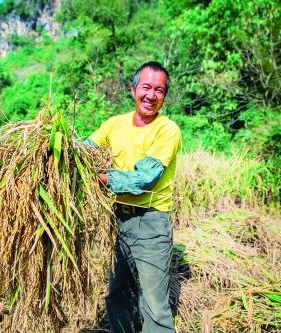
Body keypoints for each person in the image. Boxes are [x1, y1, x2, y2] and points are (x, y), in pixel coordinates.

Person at [87, 61, 181, 333]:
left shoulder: (167, 130)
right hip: (117, 220)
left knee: (153, 304)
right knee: (117, 294)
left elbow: (144, 179)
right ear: (133, 90)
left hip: (150, 223)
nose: (152, 95)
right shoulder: (114, 124)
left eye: (160, 90)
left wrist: (103, 179)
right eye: (147, 87)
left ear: (164, 96)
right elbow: (87, 147)